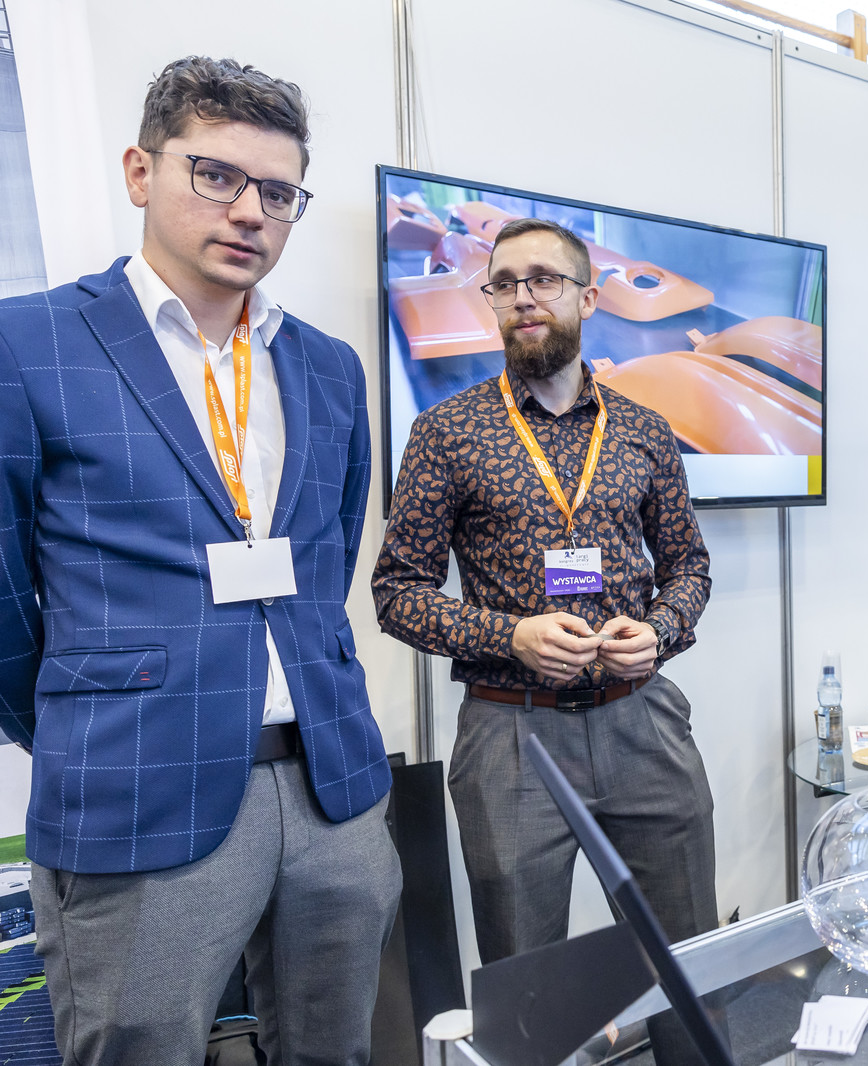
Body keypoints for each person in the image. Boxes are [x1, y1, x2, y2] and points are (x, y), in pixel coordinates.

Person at [0, 57, 400, 1063]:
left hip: (330, 783)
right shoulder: (29, 343)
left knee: (337, 1047)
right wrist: (85, 718)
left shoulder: (329, 366)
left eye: (278, 192)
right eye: (215, 175)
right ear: (141, 172)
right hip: (139, 783)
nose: (250, 211)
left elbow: (324, 558)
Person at [371, 217, 717, 991]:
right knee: (527, 988)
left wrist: (659, 630)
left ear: (589, 298)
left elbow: (689, 567)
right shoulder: (445, 433)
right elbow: (397, 593)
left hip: (642, 723)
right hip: (510, 740)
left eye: (544, 280)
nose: (523, 298)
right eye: (505, 284)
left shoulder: (644, 430)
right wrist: (510, 636)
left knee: (685, 964)